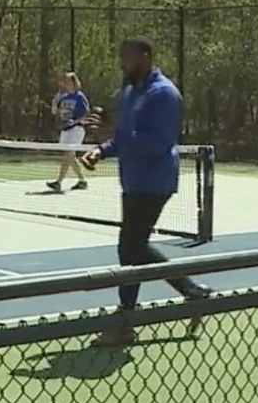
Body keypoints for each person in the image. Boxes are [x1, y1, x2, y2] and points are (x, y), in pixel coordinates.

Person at [81, 38, 213, 345]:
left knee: (129, 249)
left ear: (146, 57)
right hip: (133, 180)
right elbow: (123, 137)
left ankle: (125, 321)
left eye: (128, 58)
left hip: (155, 181)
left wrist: (116, 135)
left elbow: (158, 142)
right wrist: (101, 150)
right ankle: (192, 292)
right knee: (134, 248)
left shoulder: (164, 94)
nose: (123, 64)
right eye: (121, 58)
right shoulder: (128, 93)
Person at [47, 72, 90, 192]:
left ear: (74, 82)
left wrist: (75, 122)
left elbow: (86, 114)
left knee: (68, 155)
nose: (65, 83)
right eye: (64, 81)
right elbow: (56, 112)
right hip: (65, 130)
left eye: (68, 81)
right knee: (70, 156)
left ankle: (58, 182)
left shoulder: (79, 96)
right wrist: (54, 105)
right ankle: (82, 181)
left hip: (77, 129)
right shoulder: (63, 97)